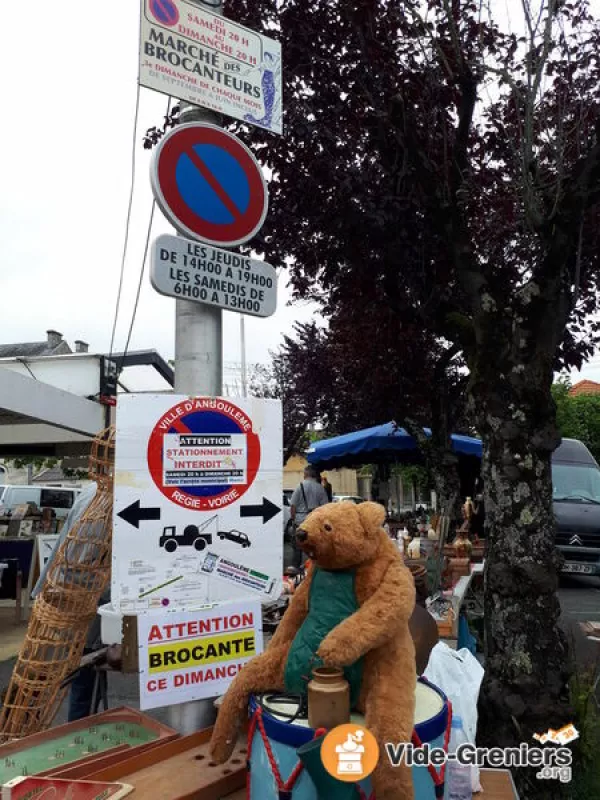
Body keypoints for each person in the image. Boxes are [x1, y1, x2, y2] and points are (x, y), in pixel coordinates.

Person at [32, 482, 110, 721]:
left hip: (70, 599)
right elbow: (80, 560)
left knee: (84, 677)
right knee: (84, 677)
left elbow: (61, 546)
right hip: (85, 605)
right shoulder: (103, 499)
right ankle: (80, 737)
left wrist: (41, 588)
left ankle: (85, 730)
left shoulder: (90, 491)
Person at [290, 466, 329, 567]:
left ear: (306, 474)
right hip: (314, 522)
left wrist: (294, 520)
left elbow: (293, 506)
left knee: (298, 549)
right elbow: (325, 507)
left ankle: (296, 571)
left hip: (300, 522)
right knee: (313, 547)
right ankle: (312, 568)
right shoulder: (320, 488)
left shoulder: (299, 487)